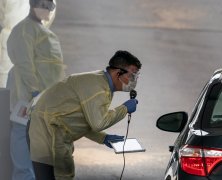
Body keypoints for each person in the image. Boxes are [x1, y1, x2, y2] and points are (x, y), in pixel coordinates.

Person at [28, 50, 141, 180]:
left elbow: (78, 119)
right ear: (117, 73)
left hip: (49, 129)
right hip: (48, 131)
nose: (134, 80)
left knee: (61, 175)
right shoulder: (98, 88)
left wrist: (103, 138)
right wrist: (125, 108)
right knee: (60, 176)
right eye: (132, 76)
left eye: (136, 76)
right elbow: (98, 123)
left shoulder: (99, 81)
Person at [6, 0, 65, 179]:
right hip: (27, 95)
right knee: (22, 137)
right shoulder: (24, 30)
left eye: (51, 7)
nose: (48, 10)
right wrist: (35, 91)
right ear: (33, 6)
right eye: (45, 6)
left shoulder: (40, 29)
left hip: (43, 95)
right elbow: (25, 64)